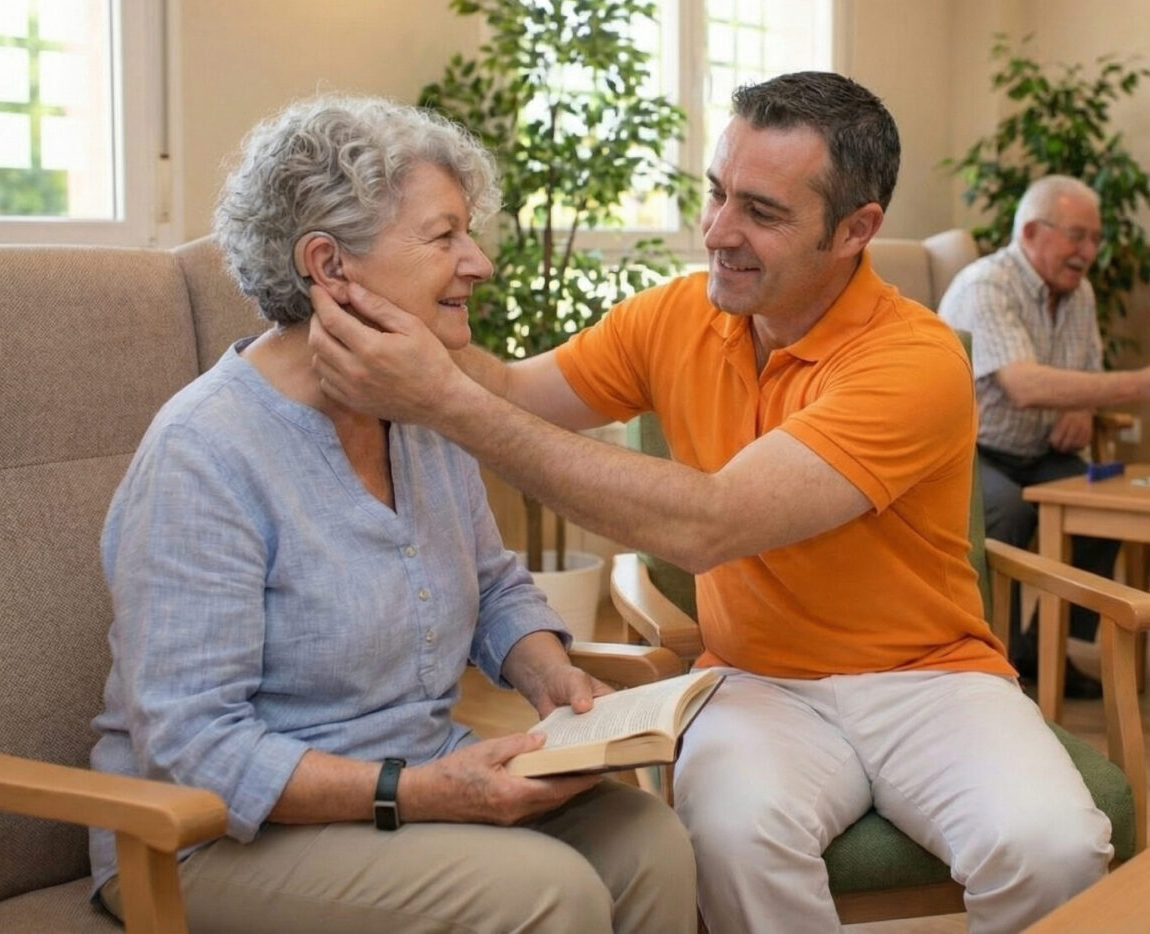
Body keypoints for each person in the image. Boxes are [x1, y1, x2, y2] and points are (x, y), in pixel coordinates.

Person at [308, 73, 1114, 934]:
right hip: (754, 681)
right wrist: (389, 320)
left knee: (1054, 848)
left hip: (932, 681)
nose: (719, 233)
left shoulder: (912, 360)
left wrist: (443, 400)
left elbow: (712, 522)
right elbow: (512, 393)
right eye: (716, 194)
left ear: (855, 231)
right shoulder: (673, 317)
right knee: (729, 838)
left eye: (762, 213)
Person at [88, 95, 695, 933]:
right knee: (547, 892)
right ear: (330, 266)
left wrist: (549, 674)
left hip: (406, 779)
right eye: (444, 236)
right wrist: (422, 793)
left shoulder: (416, 409)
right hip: (212, 836)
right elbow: (195, 748)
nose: (479, 262)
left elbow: (493, 585)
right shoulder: (206, 452)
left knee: (651, 842)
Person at [937, 175, 1150, 696]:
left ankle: (1045, 648)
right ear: (1033, 232)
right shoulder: (986, 286)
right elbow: (1024, 385)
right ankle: (993, 662)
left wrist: (1084, 403)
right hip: (968, 452)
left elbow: (1085, 372)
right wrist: (1144, 383)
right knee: (1006, 509)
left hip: (1040, 451)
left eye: (1095, 240)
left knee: (1105, 502)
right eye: (1078, 237)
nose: (1089, 252)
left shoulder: (1078, 293)